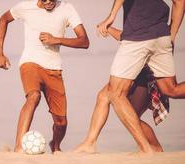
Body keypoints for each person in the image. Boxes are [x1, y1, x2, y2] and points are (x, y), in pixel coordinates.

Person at [76, 0, 184, 155]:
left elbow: (136, 37)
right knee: (170, 89)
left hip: (139, 44)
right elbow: (180, 2)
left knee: (115, 94)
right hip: (161, 37)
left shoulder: (138, 24)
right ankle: (89, 142)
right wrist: (171, 36)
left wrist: (111, 16)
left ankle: (146, 148)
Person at [0, 0, 89, 153]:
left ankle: (55, 145)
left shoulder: (67, 8)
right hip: (30, 62)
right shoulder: (25, 7)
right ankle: (18, 147)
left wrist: (56, 39)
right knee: (33, 96)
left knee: (61, 122)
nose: (48, 2)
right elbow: (3, 19)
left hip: (54, 69)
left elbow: (84, 41)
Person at [74, 26, 169, 154]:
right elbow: (128, 38)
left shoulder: (151, 24)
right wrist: (108, 28)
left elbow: (132, 40)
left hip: (145, 75)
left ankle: (152, 147)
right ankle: (90, 142)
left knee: (132, 115)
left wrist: (108, 27)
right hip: (134, 72)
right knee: (103, 96)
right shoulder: (142, 23)